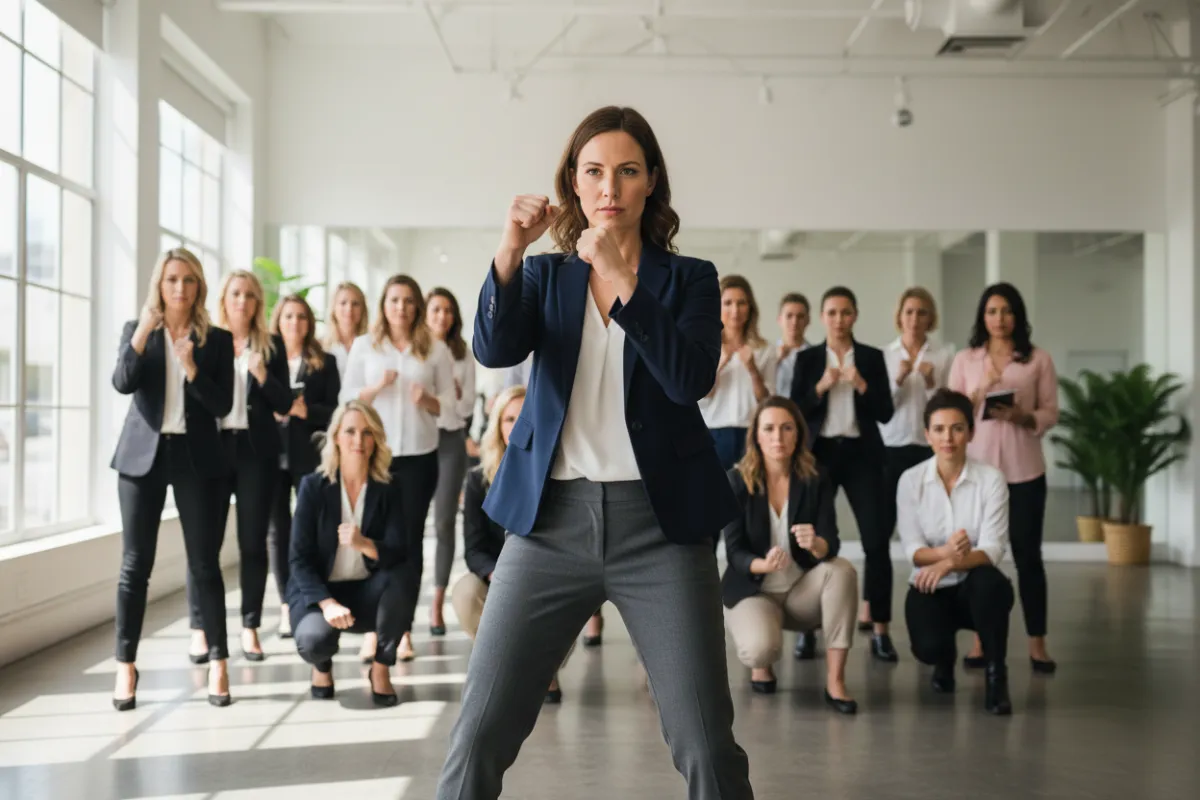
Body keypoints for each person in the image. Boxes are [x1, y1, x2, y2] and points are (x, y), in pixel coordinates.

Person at [436, 106, 754, 800]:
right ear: (574, 186)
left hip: (662, 530)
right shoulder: (548, 277)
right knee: (481, 730)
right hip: (549, 524)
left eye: (627, 170)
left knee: (704, 741)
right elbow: (493, 348)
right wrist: (509, 252)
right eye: (593, 171)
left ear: (650, 184)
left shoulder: (691, 278)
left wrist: (624, 282)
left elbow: (689, 380)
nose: (610, 185)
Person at [110, 248, 234, 710]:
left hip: (196, 457)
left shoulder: (216, 340)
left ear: (199, 287)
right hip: (142, 456)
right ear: (159, 286)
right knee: (134, 566)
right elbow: (122, 381)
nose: (180, 288)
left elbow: (222, 406)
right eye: (171, 280)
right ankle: (126, 664)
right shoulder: (137, 331)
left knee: (204, 564)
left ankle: (219, 659)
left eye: (188, 280)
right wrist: (143, 331)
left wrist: (192, 368)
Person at [341, 275, 455, 662]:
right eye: (394, 300)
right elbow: (346, 400)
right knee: (372, 540)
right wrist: (373, 390)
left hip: (420, 460)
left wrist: (429, 401)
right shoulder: (364, 347)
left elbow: (453, 409)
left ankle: (403, 628)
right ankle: (374, 628)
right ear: (383, 305)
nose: (401, 308)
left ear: (417, 307)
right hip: (374, 459)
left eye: (408, 301)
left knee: (408, 544)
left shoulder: (435, 349)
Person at [721, 397, 858, 714]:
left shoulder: (815, 478)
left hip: (801, 592)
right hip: (754, 590)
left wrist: (816, 545)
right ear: (756, 435)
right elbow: (734, 551)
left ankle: (835, 681)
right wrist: (763, 564)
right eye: (769, 429)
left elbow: (831, 543)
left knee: (842, 570)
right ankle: (763, 662)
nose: (778, 437)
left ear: (798, 434)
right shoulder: (736, 481)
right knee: (759, 650)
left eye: (786, 428)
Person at [948, 282, 1059, 673]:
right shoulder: (966, 359)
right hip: (977, 475)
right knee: (980, 560)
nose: (999, 318)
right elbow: (952, 412)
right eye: (992, 311)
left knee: (1029, 558)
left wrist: (1023, 417)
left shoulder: (1037, 360)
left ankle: (1037, 643)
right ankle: (982, 640)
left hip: (1025, 471)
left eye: (1007, 311)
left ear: (1018, 316)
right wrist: (978, 392)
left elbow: (1050, 412)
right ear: (982, 316)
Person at [187, 270, 292, 664]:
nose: (243, 301)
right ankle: (200, 627)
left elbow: (284, 404)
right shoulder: (207, 342)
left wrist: (263, 376)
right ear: (224, 299)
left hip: (255, 453)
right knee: (204, 545)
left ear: (257, 303)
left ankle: (250, 626)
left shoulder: (273, 347)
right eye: (236, 293)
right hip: (212, 450)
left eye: (250, 295)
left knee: (252, 543)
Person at [789, 286, 897, 662]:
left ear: (855, 315)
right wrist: (821, 386)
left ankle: (880, 628)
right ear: (822, 317)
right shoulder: (807, 359)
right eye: (832, 312)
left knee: (876, 541)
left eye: (845, 312)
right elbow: (795, 413)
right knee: (812, 539)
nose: (839, 319)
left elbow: (886, 412)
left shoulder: (871, 357)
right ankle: (807, 628)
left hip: (862, 455)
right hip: (817, 457)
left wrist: (861, 384)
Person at [898, 389, 1015, 715]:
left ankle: (996, 675)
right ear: (927, 434)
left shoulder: (991, 479)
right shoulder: (910, 480)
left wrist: (948, 561)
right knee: (928, 648)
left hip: (974, 585)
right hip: (930, 584)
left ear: (971, 432)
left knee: (991, 585)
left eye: (957, 428)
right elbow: (912, 549)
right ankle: (944, 657)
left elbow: (993, 548)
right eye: (938, 429)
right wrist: (944, 555)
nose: (947, 437)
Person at [451, 385, 571, 703]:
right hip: (496, 576)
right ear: (498, 426)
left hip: (544, 578)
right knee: (465, 592)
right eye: (509, 419)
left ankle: (542, 671)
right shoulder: (477, 480)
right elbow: (473, 548)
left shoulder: (562, 474)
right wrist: (497, 575)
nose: (517, 427)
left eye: (524, 418)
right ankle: (498, 669)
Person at [287, 400, 407, 707]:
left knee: (403, 577)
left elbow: (398, 553)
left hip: (366, 594)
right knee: (315, 640)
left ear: (376, 439)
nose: (358, 440)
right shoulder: (313, 487)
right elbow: (298, 559)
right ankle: (322, 666)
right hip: (321, 596)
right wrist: (326, 604)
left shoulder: (388, 489)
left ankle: (380, 669)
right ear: (337, 436)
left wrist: (364, 543)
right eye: (350, 431)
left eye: (367, 433)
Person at [877, 288, 955, 618]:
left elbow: (949, 405)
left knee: (931, 529)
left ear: (930, 317)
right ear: (899, 316)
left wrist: (932, 381)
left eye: (922, 312)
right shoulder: (884, 355)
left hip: (929, 452)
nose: (915, 318)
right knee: (880, 534)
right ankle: (874, 610)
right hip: (890, 449)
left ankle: (934, 595)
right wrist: (897, 380)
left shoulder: (945, 354)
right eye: (909, 311)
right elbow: (881, 408)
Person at [268, 294, 341, 638]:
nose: (294, 323)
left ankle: (315, 593)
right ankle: (286, 603)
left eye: (301, 317)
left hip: (308, 456)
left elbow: (333, 413)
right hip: (270, 456)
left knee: (310, 527)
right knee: (277, 531)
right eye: (288, 317)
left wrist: (303, 411)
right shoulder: (266, 360)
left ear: (309, 323)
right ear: (277, 321)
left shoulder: (324, 362)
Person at [426, 287, 476, 637]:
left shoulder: (462, 353)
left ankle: (436, 601)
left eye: (448, 310)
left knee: (444, 522)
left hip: (450, 441)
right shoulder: (417, 352)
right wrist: (445, 398)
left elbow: (466, 407)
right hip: (416, 441)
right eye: (436, 310)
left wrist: (447, 400)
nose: (442, 316)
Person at [698, 275, 774, 471]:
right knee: (715, 496)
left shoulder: (764, 349)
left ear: (750, 308)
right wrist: (721, 364)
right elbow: (700, 395)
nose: (735, 310)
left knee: (750, 497)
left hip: (752, 434)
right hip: (714, 433)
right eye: (728, 303)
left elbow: (766, 400)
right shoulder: (706, 346)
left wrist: (753, 369)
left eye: (741, 303)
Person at [322, 281, 369, 379]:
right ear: (333, 308)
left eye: (355, 304)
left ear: (363, 309)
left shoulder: (372, 344)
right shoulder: (322, 346)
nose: (349, 309)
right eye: (343, 303)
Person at [774, 293, 811, 396]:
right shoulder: (768, 353)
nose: (794, 322)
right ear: (779, 319)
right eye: (789, 316)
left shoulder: (817, 355)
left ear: (808, 320)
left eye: (800, 316)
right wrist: (774, 361)